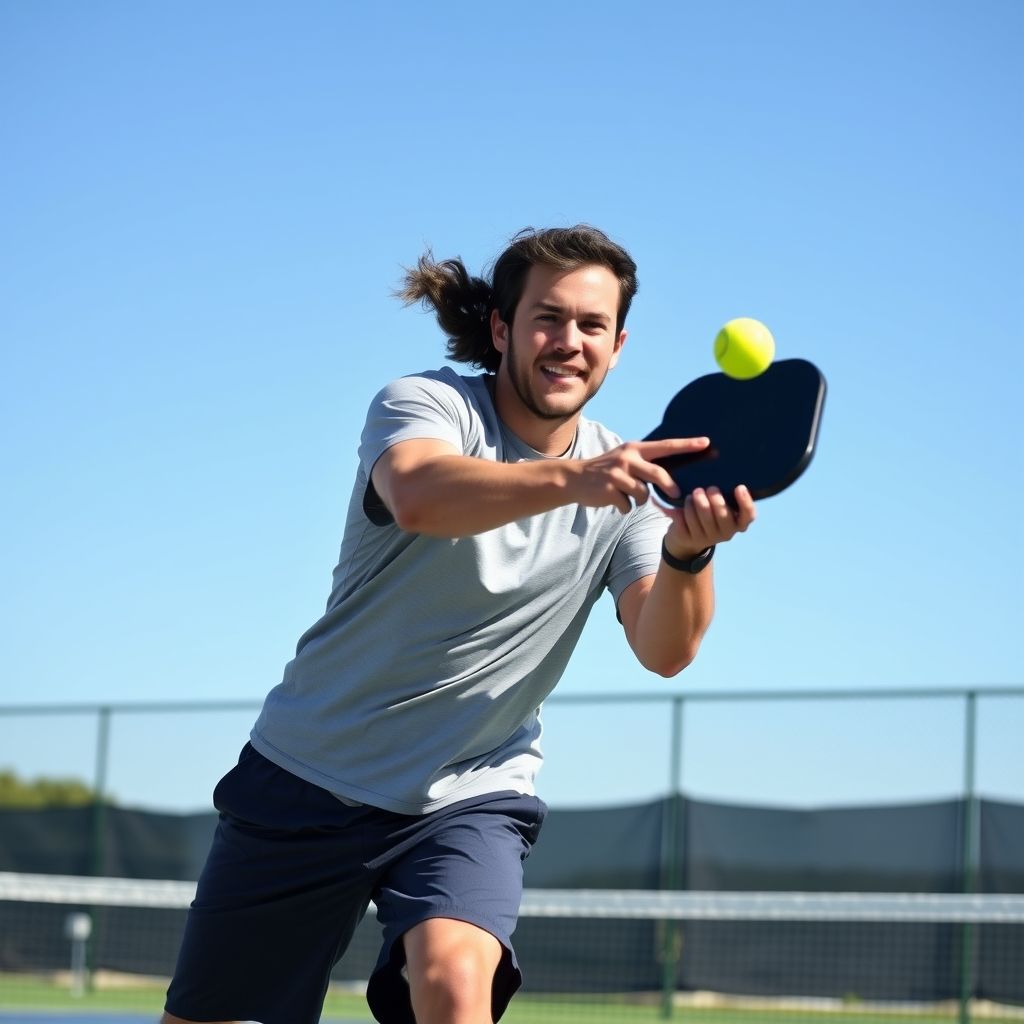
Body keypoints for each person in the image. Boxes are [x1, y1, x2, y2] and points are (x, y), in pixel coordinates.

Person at [161, 225, 756, 1024]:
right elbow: (420, 494)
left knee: (452, 979)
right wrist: (570, 480)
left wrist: (688, 556)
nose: (568, 341)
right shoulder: (427, 405)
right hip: (308, 774)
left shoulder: (630, 488)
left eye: (591, 327)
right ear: (503, 328)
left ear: (617, 347)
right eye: (548, 317)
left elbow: (665, 648)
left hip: (471, 792)